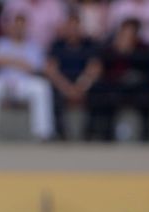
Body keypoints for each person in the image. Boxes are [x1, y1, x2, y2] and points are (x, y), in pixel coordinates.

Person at [0, 13, 55, 141]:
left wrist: (9, 61)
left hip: (24, 84)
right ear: (11, 27)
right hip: (3, 81)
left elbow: (36, 68)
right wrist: (18, 62)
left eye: (21, 26)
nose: (18, 29)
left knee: (42, 88)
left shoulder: (34, 46)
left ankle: (43, 133)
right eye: (16, 26)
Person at [85, 17, 149, 142]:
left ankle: (146, 134)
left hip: (138, 88)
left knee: (147, 95)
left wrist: (129, 52)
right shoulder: (110, 48)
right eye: (125, 32)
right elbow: (102, 65)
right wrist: (119, 52)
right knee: (100, 92)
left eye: (131, 32)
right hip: (115, 87)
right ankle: (99, 132)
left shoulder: (144, 47)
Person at [45, 11, 101, 140]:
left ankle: (89, 133)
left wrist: (81, 86)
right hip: (63, 83)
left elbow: (94, 68)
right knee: (51, 95)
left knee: (99, 92)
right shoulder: (57, 45)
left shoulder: (89, 44)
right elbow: (51, 70)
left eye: (76, 26)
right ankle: (60, 134)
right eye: (70, 26)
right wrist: (66, 88)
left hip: (83, 82)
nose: (73, 30)